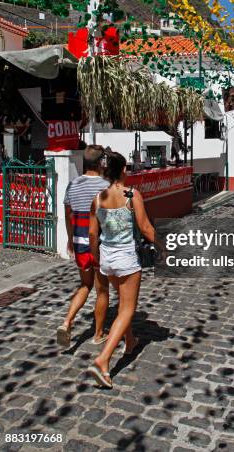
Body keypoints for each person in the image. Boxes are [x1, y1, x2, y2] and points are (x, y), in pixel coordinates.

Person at [87, 151, 159, 389]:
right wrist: (163, 246)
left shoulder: (97, 198)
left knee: (122, 303)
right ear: (122, 170)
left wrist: (96, 259)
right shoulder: (131, 195)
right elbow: (146, 227)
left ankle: (129, 342)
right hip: (127, 258)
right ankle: (103, 360)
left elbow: (92, 234)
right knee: (128, 309)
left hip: (107, 258)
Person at [57, 145, 110, 347]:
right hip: (99, 244)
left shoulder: (73, 185)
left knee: (85, 285)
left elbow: (69, 217)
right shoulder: (105, 185)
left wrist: (70, 239)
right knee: (102, 289)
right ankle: (98, 334)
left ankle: (66, 322)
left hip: (79, 242)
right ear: (100, 163)